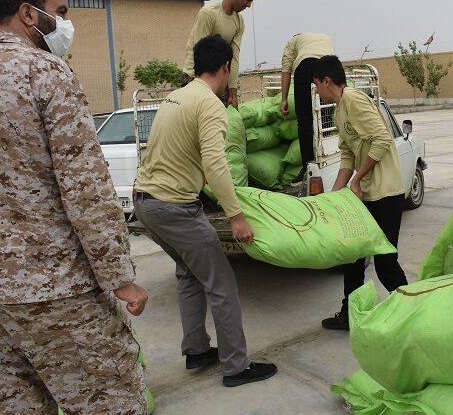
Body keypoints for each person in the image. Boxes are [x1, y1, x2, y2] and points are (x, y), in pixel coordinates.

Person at [0, 0, 149, 415]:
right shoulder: (46, 72)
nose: (65, 25)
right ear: (29, 13)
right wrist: (119, 276)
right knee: (109, 403)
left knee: (17, 408)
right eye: (60, 12)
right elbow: (85, 187)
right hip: (54, 288)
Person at [134, 34, 277, 387]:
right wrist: (237, 216)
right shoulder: (211, 105)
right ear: (226, 67)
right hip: (174, 207)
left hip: (146, 204)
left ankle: (197, 350)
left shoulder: (175, 97)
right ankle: (236, 367)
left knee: (188, 272)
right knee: (223, 283)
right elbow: (217, 164)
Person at [311, 55, 408, 330]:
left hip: (386, 194)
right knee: (352, 258)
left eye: (317, 85)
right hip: (366, 194)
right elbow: (346, 155)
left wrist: (357, 179)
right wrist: (333, 195)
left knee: (385, 261)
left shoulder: (353, 100)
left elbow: (382, 138)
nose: (317, 91)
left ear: (327, 81)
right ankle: (350, 313)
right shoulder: (340, 109)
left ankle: (410, 310)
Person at [182, 0, 263, 108]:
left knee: (223, 120)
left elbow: (234, 59)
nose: (248, 5)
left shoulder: (239, 22)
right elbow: (200, 53)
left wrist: (232, 93)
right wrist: (204, 90)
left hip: (219, 78)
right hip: (195, 77)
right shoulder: (208, 13)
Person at [279, 33, 335, 183]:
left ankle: (308, 167)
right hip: (329, 65)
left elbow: (286, 70)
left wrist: (284, 99)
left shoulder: (291, 43)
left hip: (305, 66)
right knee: (326, 114)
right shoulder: (325, 37)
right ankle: (328, 154)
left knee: (304, 120)